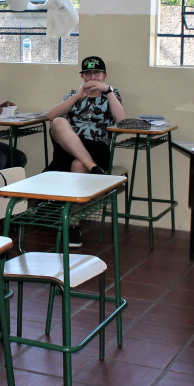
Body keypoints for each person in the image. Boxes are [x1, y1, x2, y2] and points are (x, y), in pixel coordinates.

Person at [47, 56, 126, 247]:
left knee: (78, 165)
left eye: (96, 74)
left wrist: (108, 90)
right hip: (69, 146)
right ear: (82, 76)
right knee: (58, 122)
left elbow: (122, 122)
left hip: (97, 147)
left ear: (104, 76)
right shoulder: (73, 94)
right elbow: (51, 116)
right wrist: (77, 96)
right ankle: (94, 169)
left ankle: (72, 226)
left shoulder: (111, 95)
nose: (92, 78)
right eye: (88, 74)